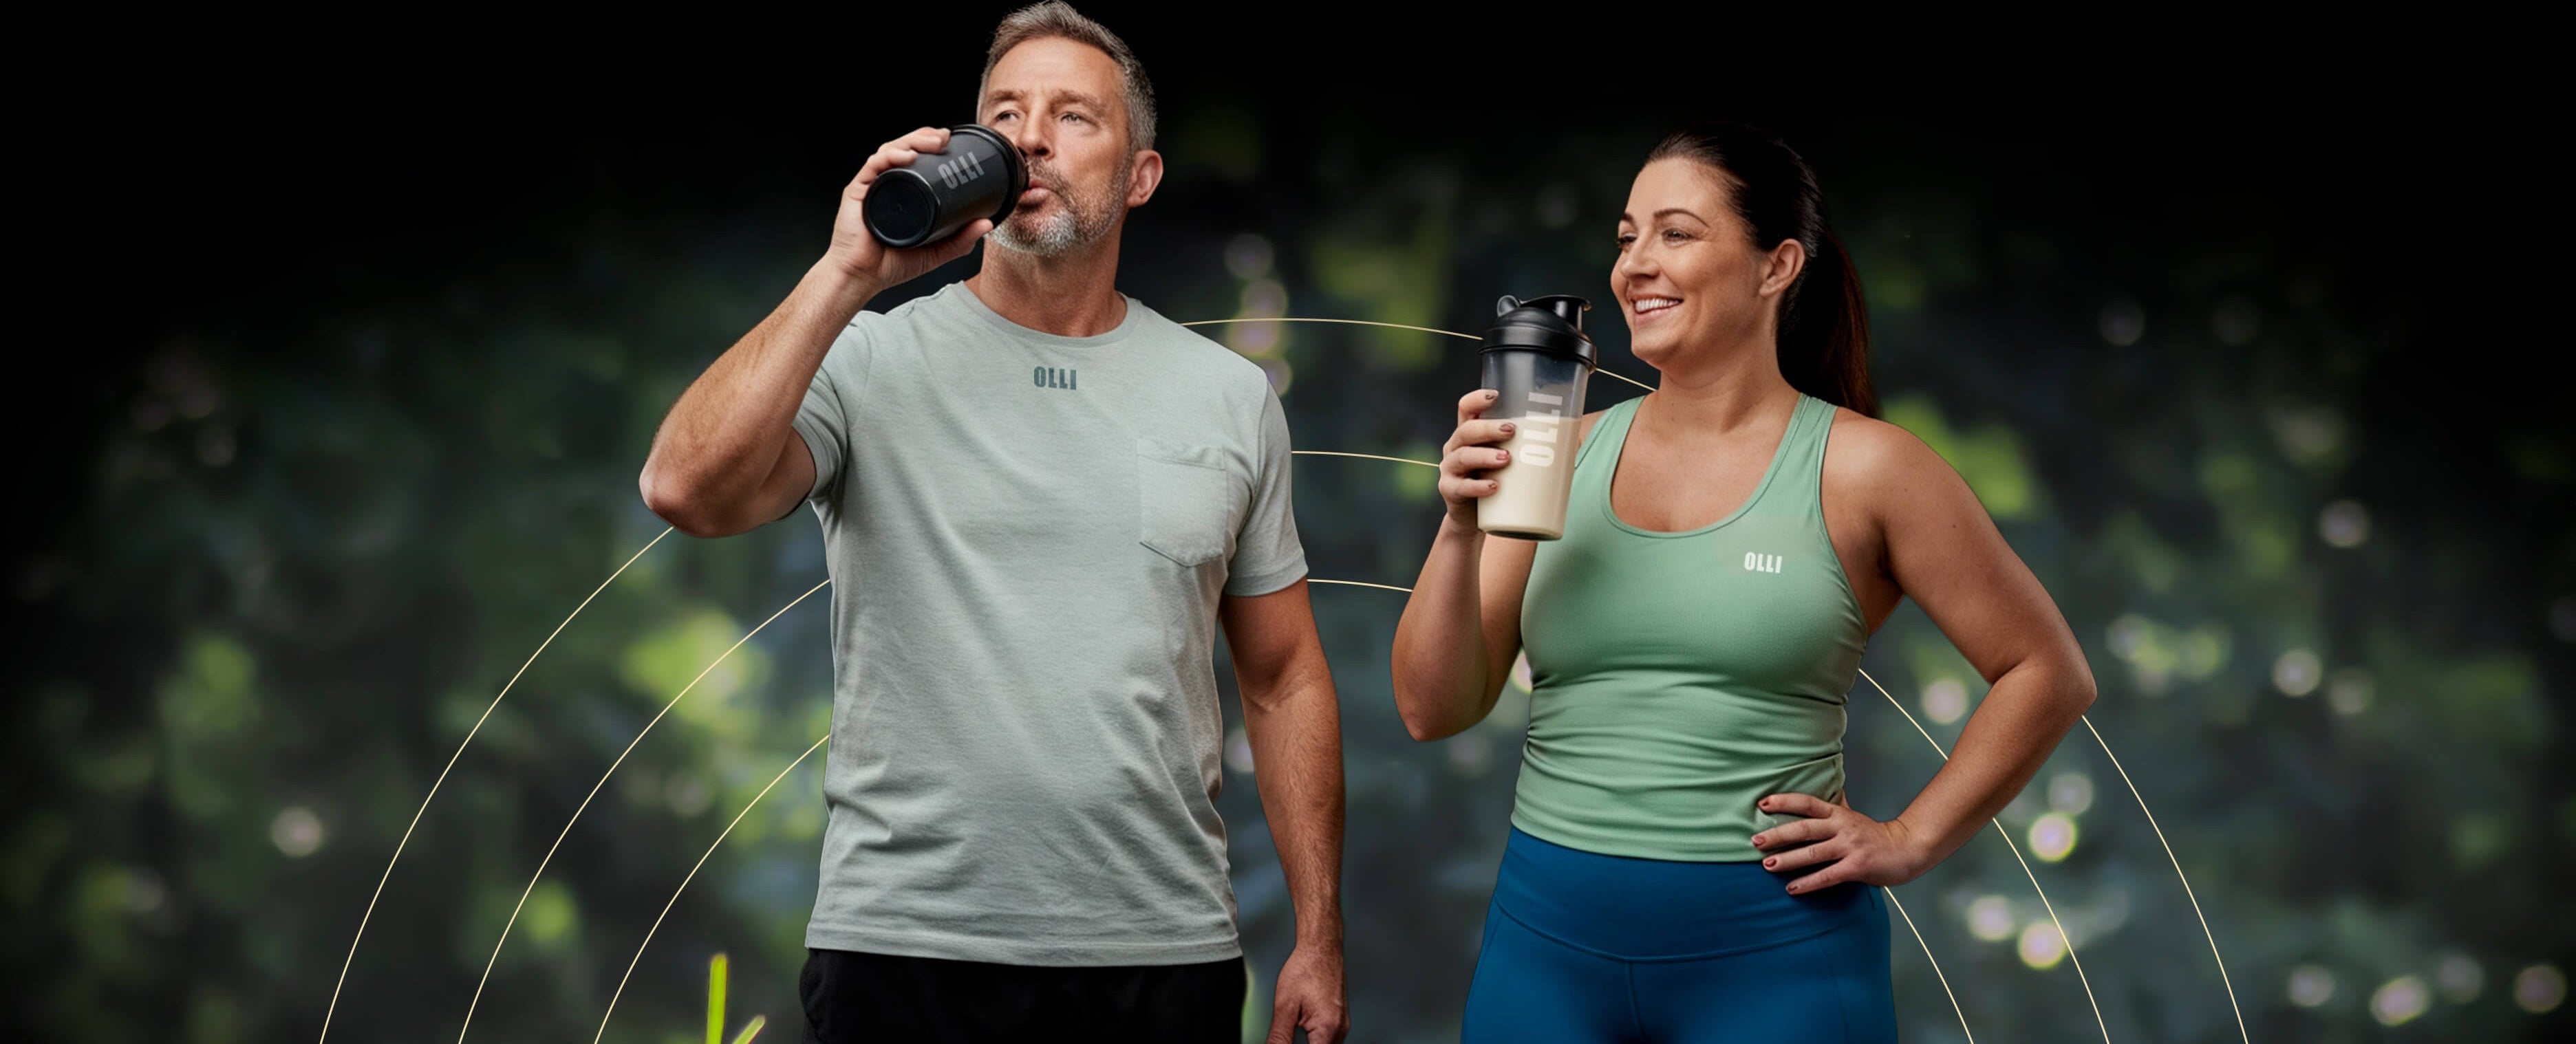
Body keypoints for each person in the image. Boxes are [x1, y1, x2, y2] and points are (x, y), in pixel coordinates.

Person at [636, 5, 1349, 1042]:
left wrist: (1320, 937)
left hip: (1163, 955)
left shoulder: (1229, 397)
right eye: (1005, 113)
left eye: (1073, 116)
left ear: (1140, 175)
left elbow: (1285, 677)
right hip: (905, 950)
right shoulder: (872, 360)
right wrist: (844, 276)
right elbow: (683, 489)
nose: (1030, 138)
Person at [1389, 121, 2099, 1043]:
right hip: (1544, 954)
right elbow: (1431, 706)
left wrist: (1913, 836)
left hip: (1777, 965)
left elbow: (2048, 670)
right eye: (1626, 236)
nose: (1635, 263)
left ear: (1776, 267)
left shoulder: (1867, 470)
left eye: (1676, 234)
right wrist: (1458, 526)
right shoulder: (1555, 451)